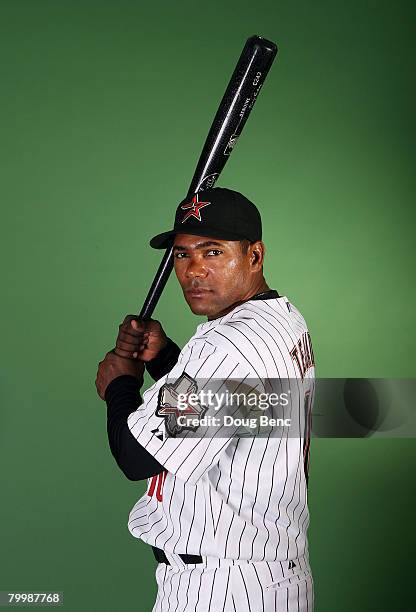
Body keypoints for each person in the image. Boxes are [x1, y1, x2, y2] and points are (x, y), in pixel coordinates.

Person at [95, 187, 316, 611]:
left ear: (254, 255)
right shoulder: (281, 318)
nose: (194, 270)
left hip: (223, 586)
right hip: (270, 577)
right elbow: (240, 408)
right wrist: (165, 360)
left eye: (212, 252)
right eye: (182, 254)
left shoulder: (228, 345)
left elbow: (136, 456)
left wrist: (120, 386)